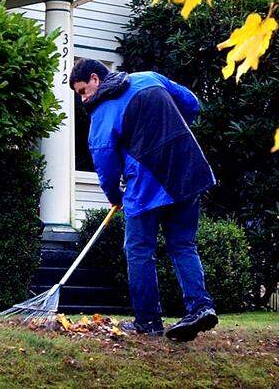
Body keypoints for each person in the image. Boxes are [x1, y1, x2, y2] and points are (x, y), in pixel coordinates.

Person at [69, 58, 218, 342]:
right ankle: (201, 307)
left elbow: (105, 164)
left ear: (95, 79)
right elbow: (192, 104)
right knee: (183, 245)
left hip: (148, 184)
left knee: (138, 250)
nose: (83, 98)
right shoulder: (150, 77)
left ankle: (147, 321)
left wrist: (116, 197)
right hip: (188, 169)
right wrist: (170, 133)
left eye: (82, 91)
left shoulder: (102, 113)